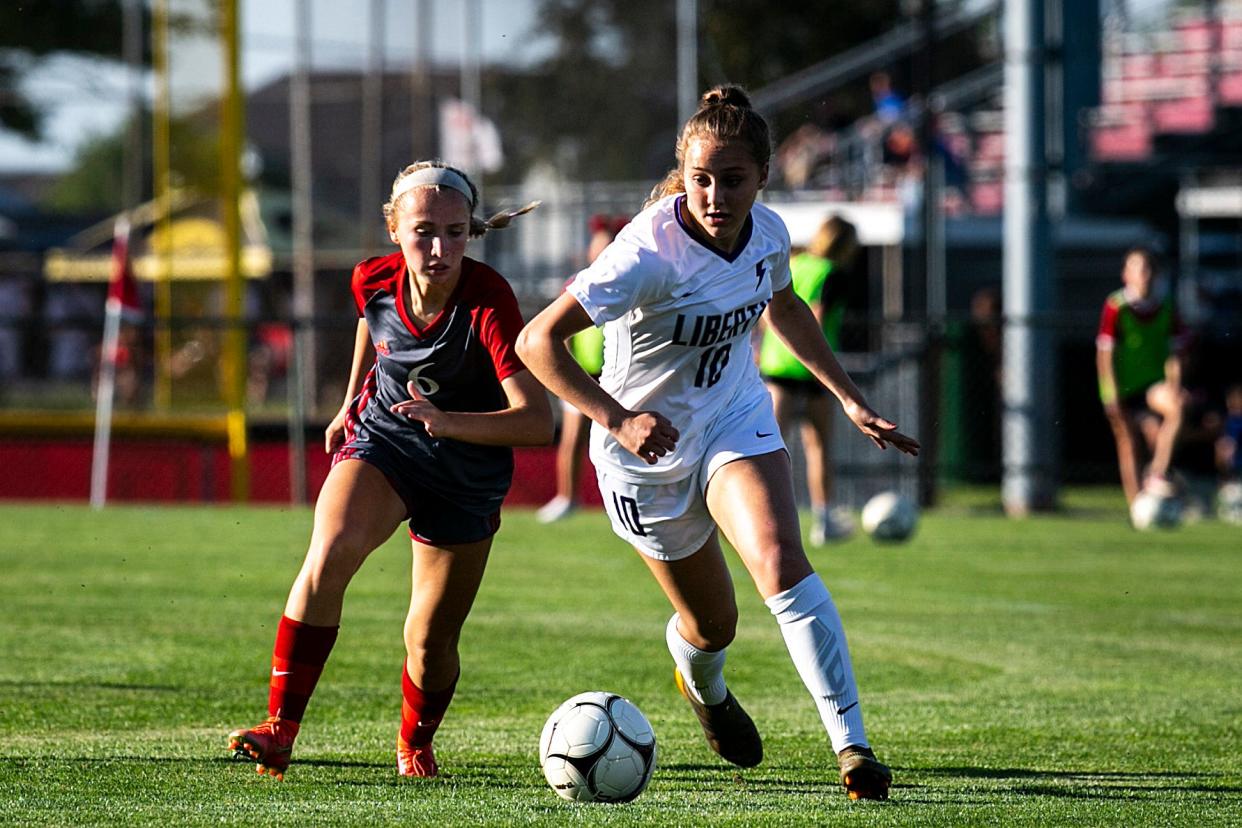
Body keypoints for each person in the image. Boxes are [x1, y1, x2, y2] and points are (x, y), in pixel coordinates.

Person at [516, 85, 919, 802]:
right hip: (645, 457)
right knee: (712, 625)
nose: (715, 195)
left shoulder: (766, 231)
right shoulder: (645, 253)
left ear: (763, 177)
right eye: (701, 179)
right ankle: (704, 685)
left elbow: (784, 304)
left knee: (781, 563)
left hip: (734, 419)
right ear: (684, 174)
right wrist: (617, 418)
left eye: (732, 180)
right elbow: (535, 341)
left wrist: (850, 399)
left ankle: (853, 750)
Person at [227, 161, 551, 780]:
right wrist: (351, 400)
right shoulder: (372, 278)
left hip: (466, 473)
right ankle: (280, 729)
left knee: (429, 644)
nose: (439, 248)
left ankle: (415, 744)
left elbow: (537, 422)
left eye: (455, 232)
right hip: (386, 443)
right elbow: (369, 327)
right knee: (330, 553)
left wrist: (449, 422)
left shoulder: (489, 300)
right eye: (424, 232)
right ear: (393, 230)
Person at [758, 215, 859, 544]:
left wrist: (765, 347)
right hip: (812, 369)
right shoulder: (832, 273)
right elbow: (816, 317)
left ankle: (762, 515)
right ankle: (823, 520)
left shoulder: (795, 263)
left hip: (777, 365)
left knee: (768, 445)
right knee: (817, 445)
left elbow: (767, 309)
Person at [536, 214, 628, 523]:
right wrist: (564, 369)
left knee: (623, 439)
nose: (601, 252)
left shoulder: (627, 282)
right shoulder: (576, 284)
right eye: (598, 246)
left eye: (608, 246)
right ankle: (567, 497)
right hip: (583, 373)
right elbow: (556, 333)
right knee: (573, 438)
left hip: (616, 374)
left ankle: (622, 500)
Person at [1096, 246, 1189, 507]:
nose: (1144, 274)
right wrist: (1111, 394)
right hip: (1123, 387)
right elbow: (1105, 355)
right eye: (1137, 268)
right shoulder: (1117, 306)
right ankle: (1137, 506)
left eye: (1148, 268)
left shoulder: (1166, 305)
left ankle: (1158, 473)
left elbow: (1175, 353)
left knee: (1175, 410)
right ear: (1126, 274)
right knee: (1128, 443)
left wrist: (1174, 385)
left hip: (1152, 386)